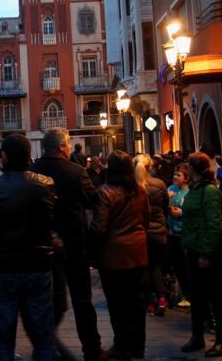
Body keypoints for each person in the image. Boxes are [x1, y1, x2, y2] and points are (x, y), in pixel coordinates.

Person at [0, 134, 56, 361]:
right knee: (43, 338)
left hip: (3, 267)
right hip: (38, 264)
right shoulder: (46, 185)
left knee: (3, 338)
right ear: (30, 155)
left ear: (4, 157)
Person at [30, 128, 104, 361]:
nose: (71, 146)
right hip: (74, 244)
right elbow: (94, 200)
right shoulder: (76, 172)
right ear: (62, 146)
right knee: (82, 300)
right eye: (69, 143)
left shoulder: (32, 172)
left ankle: (44, 345)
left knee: (47, 301)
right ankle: (91, 349)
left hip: (42, 245)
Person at [90, 151, 149, 359]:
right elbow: (146, 219)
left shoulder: (104, 192)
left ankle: (122, 345)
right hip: (137, 252)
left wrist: (92, 252)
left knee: (116, 303)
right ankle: (138, 345)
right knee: (136, 301)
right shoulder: (140, 191)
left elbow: (99, 228)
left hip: (113, 256)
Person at [180, 153, 222, 357]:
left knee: (215, 295)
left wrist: (206, 253)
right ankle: (197, 336)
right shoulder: (194, 189)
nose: (186, 169)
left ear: (195, 169)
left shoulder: (209, 191)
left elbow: (214, 224)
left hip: (206, 251)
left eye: (189, 166)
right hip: (193, 248)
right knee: (197, 295)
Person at [135, 154, 169, 318]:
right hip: (159, 232)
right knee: (155, 266)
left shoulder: (133, 186)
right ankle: (162, 298)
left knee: (143, 268)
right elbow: (165, 206)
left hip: (140, 232)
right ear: (150, 167)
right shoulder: (160, 184)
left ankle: (149, 302)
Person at [167, 163, 191, 307]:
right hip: (172, 232)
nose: (175, 177)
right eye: (174, 174)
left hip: (185, 232)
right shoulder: (170, 189)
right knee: (177, 265)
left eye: (178, 175)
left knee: (187, 264)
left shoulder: (190, 191)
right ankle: (183, 293)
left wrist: (182, 212)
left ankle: (189, 294)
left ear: (186, 178)